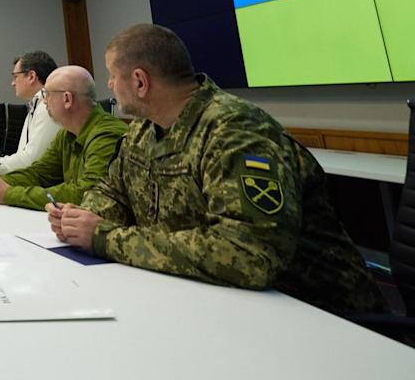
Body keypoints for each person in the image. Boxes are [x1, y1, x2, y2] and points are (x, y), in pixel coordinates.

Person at [51, 23, 384, 315]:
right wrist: (77, 219)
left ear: (140, 82)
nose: (108, 84)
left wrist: (105, 237)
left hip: (314, 314)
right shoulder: (143, 130)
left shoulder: (235, 131)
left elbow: (247, 254)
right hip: (213, 301)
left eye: (112, 75)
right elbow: (113, 192)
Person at [0, 66, 126, 208]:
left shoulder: (107, 135)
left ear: (67, 99)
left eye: (47, 94)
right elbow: (40, 173)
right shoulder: (66, 133)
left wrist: (7, 193)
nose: (44, 101)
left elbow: (87, 194)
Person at [0, 51, 62, 170]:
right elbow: (23, 156)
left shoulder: (48, 108)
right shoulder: (35, 105)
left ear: (31, 76)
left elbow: (32, 162)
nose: (12, 83)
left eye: (15, 77)